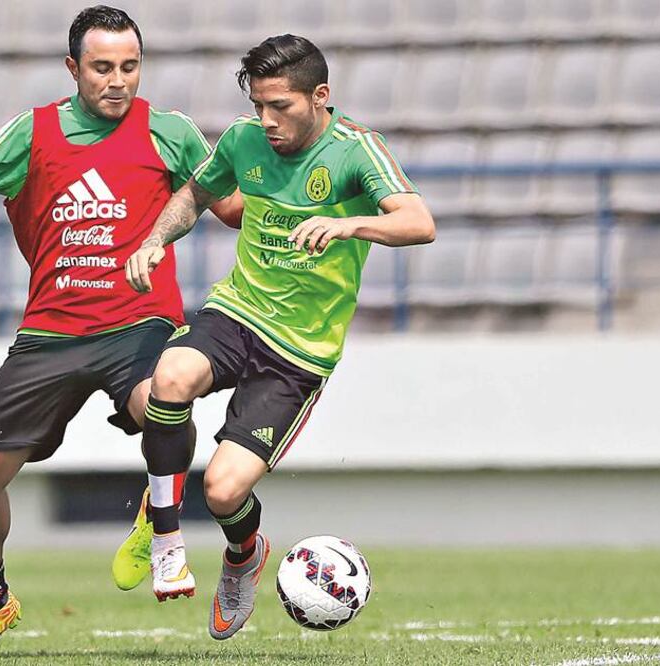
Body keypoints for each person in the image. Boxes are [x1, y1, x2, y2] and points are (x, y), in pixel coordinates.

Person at [0, 5, 241, 658]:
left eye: (129, 66)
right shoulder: (32, 132)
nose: (117, 81)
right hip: (51, 331)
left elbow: (232, 209)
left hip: (140, 321)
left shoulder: (171, 131)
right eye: (102, 68)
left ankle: (160, 515)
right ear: (73, 68)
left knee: (166, 395)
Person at [125, 34, 435, 639]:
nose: (266, 120)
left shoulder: (356, 150)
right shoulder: (244, 140)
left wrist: (349, 225)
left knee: (223, 491)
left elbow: (419, 222)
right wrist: (156, 239)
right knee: (170, 377)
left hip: (299, 351)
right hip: (238, 311)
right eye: (258, 105)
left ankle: (243, 555)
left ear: (320, 96)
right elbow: (196, 194)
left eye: (280, 106)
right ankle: (164, 532)